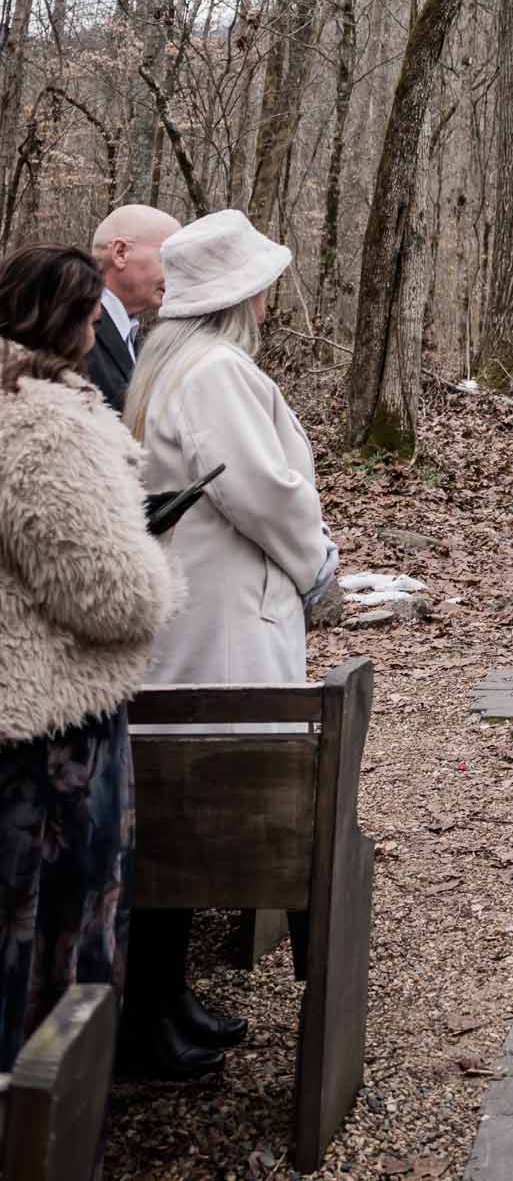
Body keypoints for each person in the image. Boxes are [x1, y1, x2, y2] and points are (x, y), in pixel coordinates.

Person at [123, 208, 337, 1079]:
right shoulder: (214, 372)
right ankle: (147, 1019)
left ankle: (164, 1000)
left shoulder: (173, 364)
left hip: (197, 610)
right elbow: (268, 491)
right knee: (193, 817)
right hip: (218, 621)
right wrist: (317, 566)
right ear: (239, 298)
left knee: (175, 818)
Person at [0, 245, 179, 1075]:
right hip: (51, 730)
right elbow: (108, 592)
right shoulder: (42, 423)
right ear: (65, 323)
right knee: (51, 943)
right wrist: (159, 574)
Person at [87, 204, 180, 414]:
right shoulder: (71, 329)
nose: (177, 276)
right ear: (120, 253)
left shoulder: (129, 332)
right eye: (168, 260)